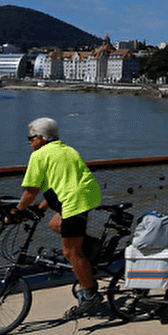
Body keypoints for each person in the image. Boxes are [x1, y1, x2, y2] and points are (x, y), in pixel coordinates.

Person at [15, 117, 104, 318]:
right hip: (87, 196)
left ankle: (91, 294)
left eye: (31, 138)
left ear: (41, 138)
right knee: (55, 223)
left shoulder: (39, 156)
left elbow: (31, 190)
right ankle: (91, 246)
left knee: (70, 252)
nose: (29, 142)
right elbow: (61, 183)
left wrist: (18, 211)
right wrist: (42, 208)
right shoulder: (68, 150)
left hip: (74, 202)